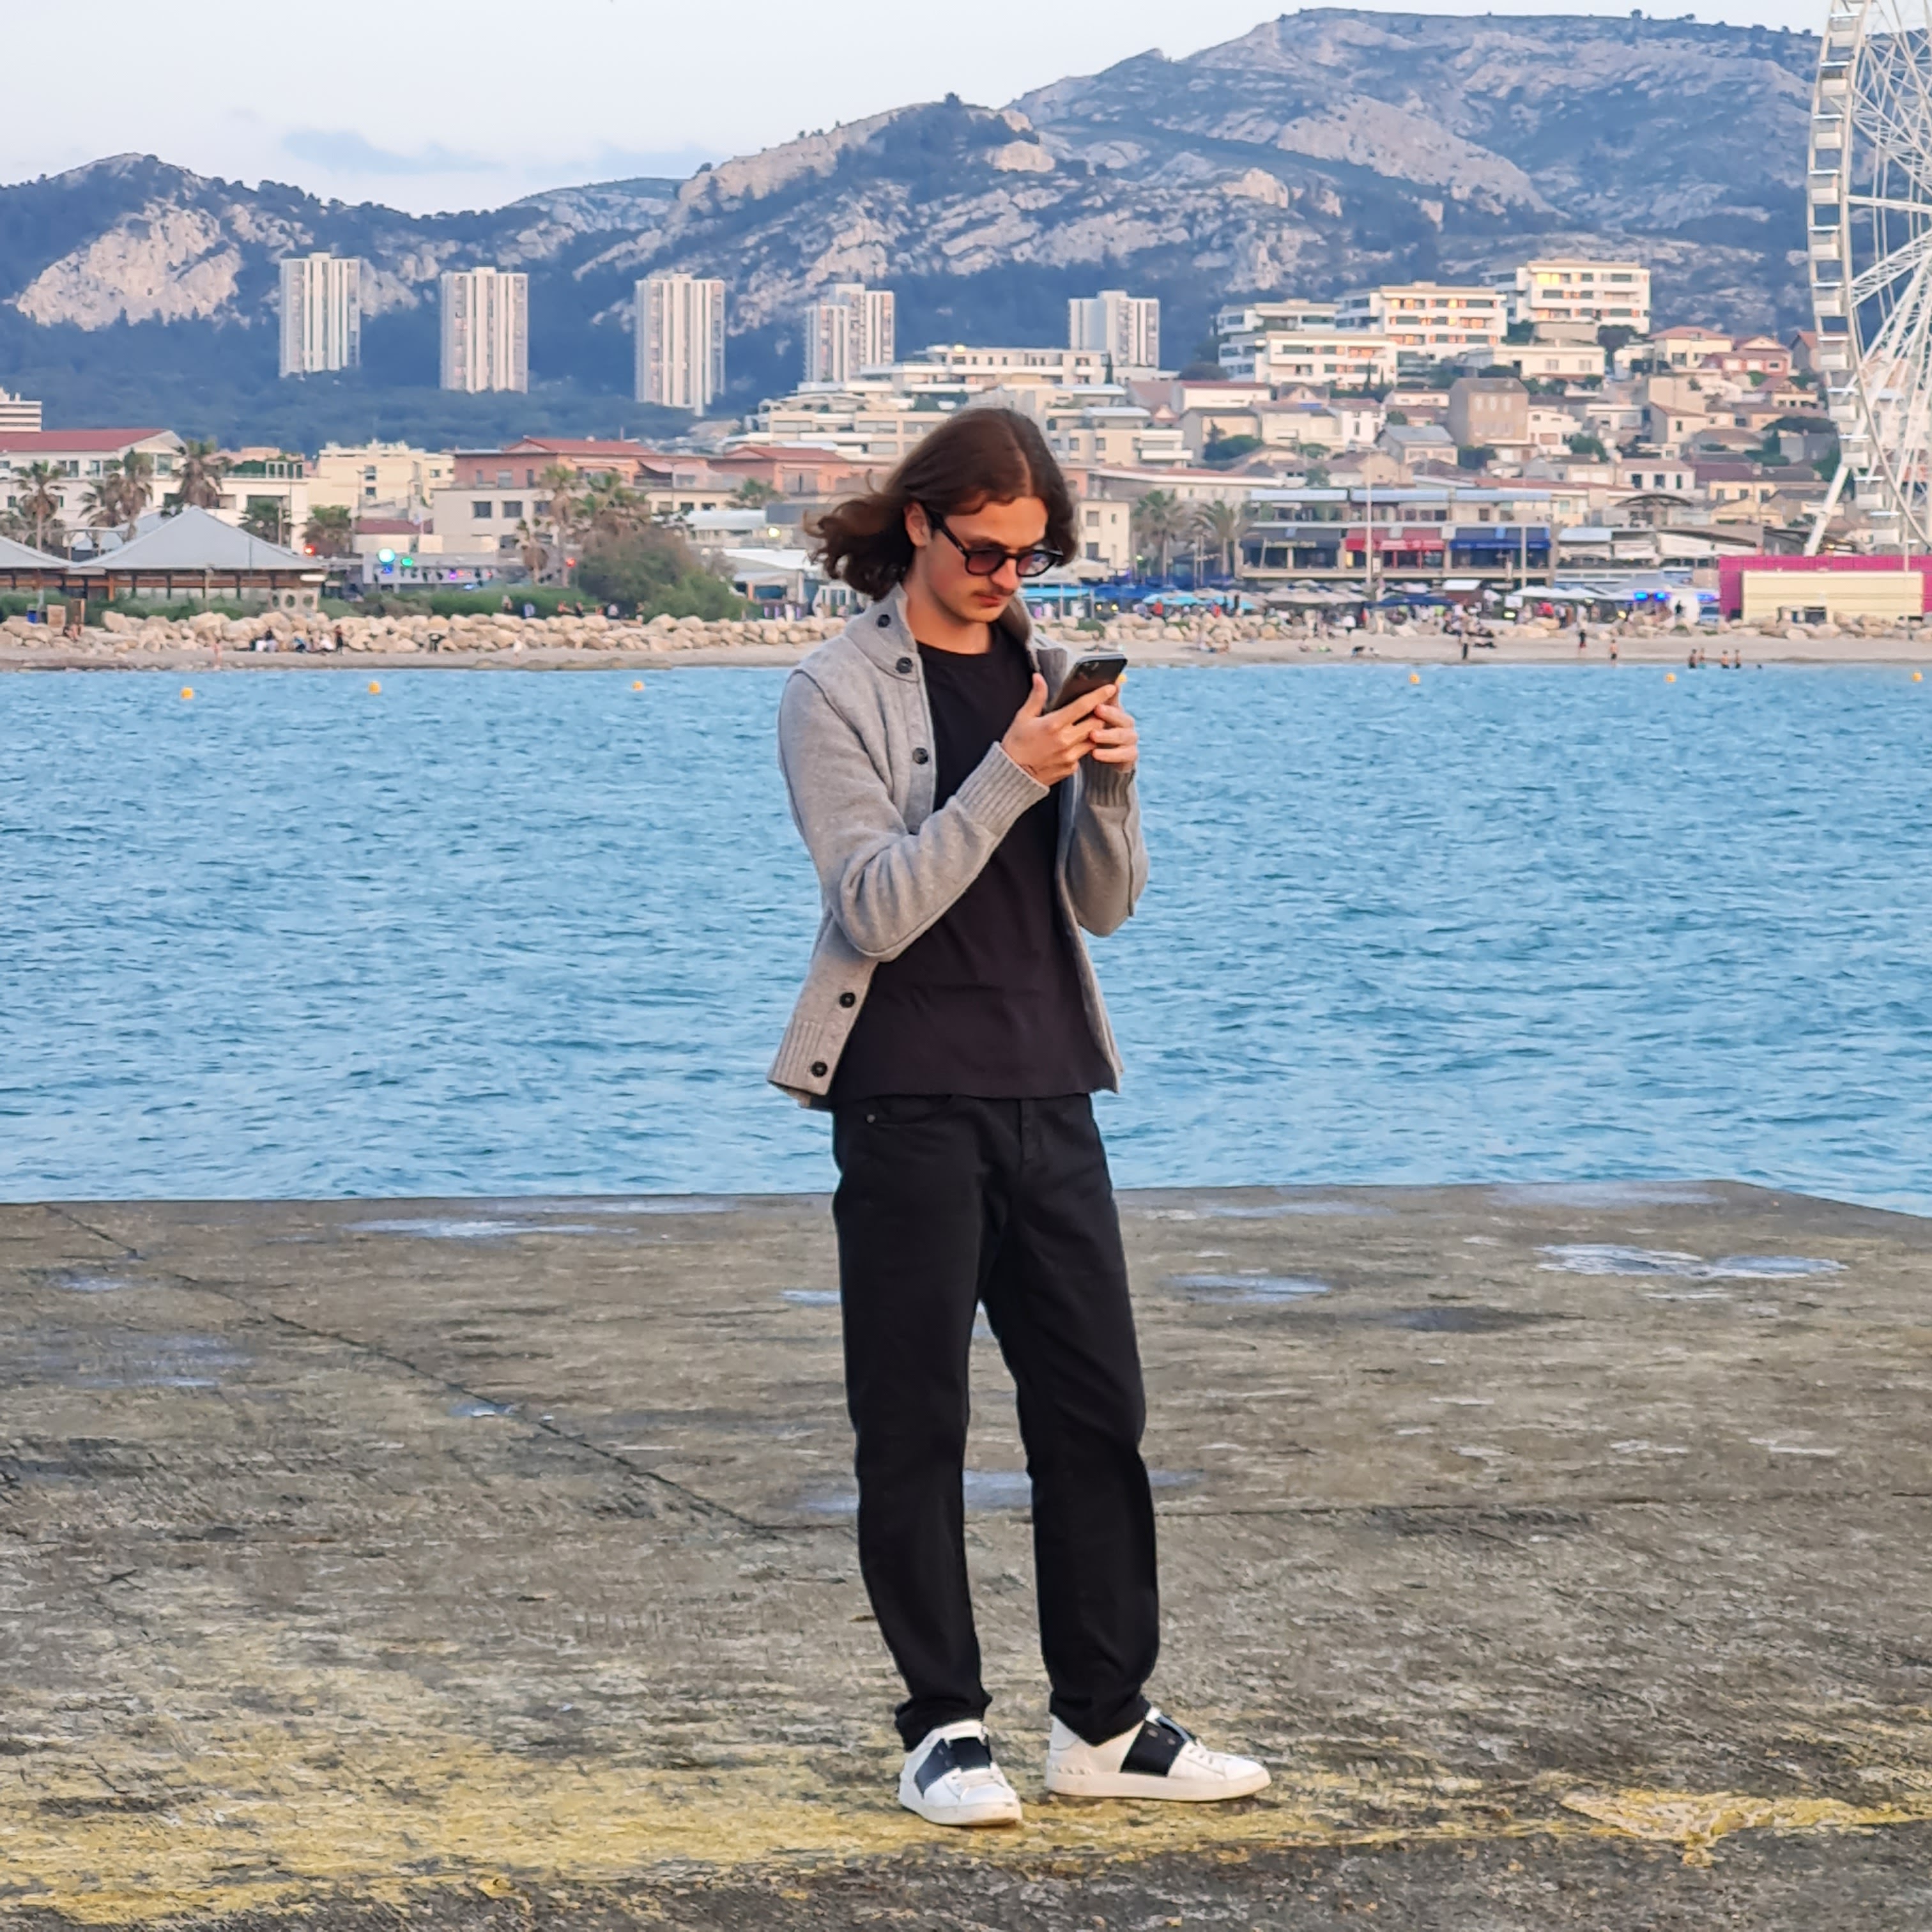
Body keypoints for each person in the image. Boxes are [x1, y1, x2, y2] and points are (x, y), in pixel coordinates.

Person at [772, 409, 1268, 1831]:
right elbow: (874, 905)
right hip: (907, 1100)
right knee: (914, 1424)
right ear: (919, 526)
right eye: (985, 551)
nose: (1006, 578)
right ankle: (941, 1729)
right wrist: (1014, 773)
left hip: (1054, 1088)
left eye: (1032, 557)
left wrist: (1105, 778)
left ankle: (1104, 1723)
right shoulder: (831, 692)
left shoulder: (1044, 676)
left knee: (1098, 1417)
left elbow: (1105, 907)